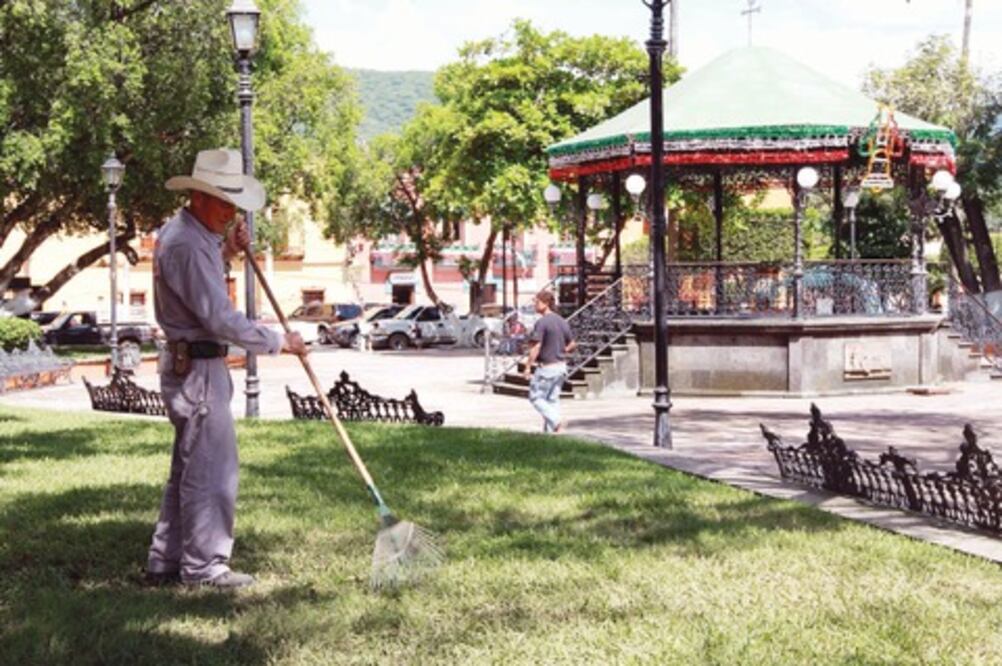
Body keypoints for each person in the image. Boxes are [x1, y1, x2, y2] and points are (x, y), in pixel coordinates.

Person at [144, 148, 308, 589]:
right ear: (198, 196)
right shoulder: (186, 243)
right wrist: (279, 342)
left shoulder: (190, 236)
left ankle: (166, 559)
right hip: (197, 369)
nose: (231, 213)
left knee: (189, 467)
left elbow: (200, 285)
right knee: (211, 470)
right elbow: (218, 317)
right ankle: (204, 567)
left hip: (195, 365)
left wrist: (228, 252)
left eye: (234, 203)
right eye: (223, 202)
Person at [523, 290, 576, 433]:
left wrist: (528, 366)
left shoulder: (542, 323)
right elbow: (572, 343)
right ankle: (552, 433)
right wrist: (561, 350)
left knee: (536, 398)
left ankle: (557, 421)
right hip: (561, 366)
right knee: (552, 400)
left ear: (545, 303)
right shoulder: (562, 321)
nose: (534, 305)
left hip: (546, 367)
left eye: (536, 302)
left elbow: (536, 346)